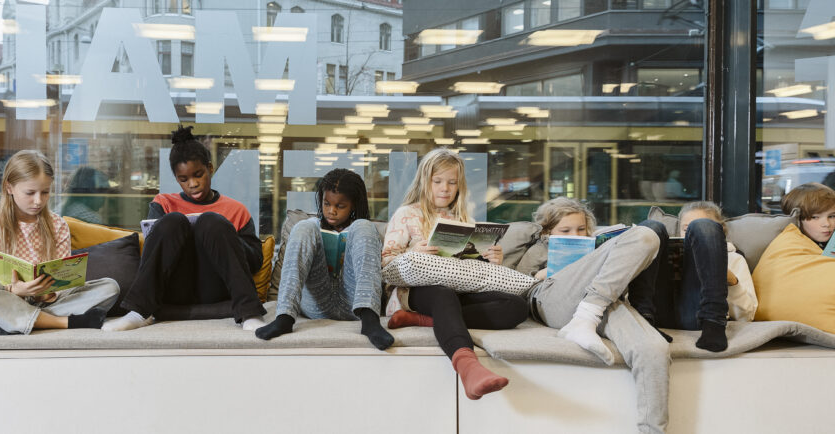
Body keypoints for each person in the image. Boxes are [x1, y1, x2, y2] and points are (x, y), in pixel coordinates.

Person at [380, 148, 533, 400]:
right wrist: (413, 252)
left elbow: (472, 268)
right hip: (416, 292)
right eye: (437, 181)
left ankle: (421, 320)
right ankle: (468, 366)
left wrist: (493, 259)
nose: (445, 188)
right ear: (424, 181)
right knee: (443, 295)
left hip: (458, 291)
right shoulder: (406, 214)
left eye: (452, 182)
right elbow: (386, 264)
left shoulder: (463, 219)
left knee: (516, 306)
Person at [515, 197, 669, 434]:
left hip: (598, 300)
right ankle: (586, 317)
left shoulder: (595, 246)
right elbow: (517, 287)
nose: (576, 235)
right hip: (552, 300)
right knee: (645, 235)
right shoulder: (538, 249)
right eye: (565, 230)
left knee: (654, 348)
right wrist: (542, 274)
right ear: (548, 231)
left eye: (581, 229)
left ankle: (653, 430)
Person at [102, 126, 267, 331]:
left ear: (210, 168)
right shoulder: (163, 203)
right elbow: (152, 257)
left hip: (216, 287)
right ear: (176, 178)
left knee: (212, 221)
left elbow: (255, 261)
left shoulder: (235, 209)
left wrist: (226, 235)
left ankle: (249, 313)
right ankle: (139, 312)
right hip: (175, 287)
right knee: (173, 221)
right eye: (184, 179)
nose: (193, 184)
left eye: (198, 175)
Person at [0, 150, 119, 335]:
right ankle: (63, 322)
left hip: (44, 303)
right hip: (6, 298)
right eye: (30, 193)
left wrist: (46, 295)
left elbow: (64, 282)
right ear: (9, 187)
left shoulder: (57, 224)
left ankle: (18, 321)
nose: (38, 201)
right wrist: (15, 290)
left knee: (110, 287)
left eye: (45, 192)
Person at [255, 169, 393, 350]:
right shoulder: (311, 227)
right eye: (326, 203)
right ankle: (284, 318)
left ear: (353, 205)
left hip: (354, 304)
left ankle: (370, 320)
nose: (331, 211)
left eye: (340, 206)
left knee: (364, 226)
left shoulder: (361, 229)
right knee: (304, 226)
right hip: (315, 304)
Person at [628, 201, 755, 353]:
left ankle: (714, 322)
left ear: (718, 232)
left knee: (702, 226)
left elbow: (747, 315)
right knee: (651, 227)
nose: (691, 235)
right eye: (686, 229)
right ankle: (643, 321)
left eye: (696, 232)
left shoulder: (734, 258)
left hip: (697, 315)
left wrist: (732, 282)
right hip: (657, 310)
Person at [752, 182, 835, 331]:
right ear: (797, 219)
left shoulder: (829, 241)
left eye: (832, 216)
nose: (826, 224)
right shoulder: (790, 243)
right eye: (815, 217)